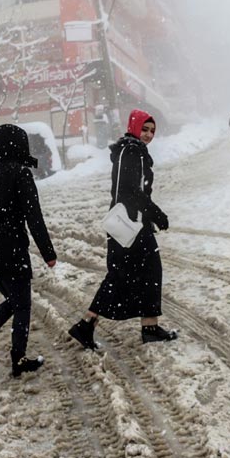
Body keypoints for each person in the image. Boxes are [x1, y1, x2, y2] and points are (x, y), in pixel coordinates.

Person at [68, 109, 176, 349]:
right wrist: (156, 214)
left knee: (131, 273)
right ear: (134, 127)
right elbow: (132, 191)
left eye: (152, 131)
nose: (148, 135)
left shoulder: (130, 150)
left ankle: (93, 324)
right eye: (145, 129)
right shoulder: (132, 151)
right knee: (135, 273)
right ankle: (142, 327)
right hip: (131, 225)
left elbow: (128, 191)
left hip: (130, 223)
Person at [0, 124, 57, 377]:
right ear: (20, 146)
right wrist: (48, 253)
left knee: (16, 301)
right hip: (10, 250)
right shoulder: (21, 173)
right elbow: (34, 217)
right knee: (22, 304)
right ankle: (14, 358)